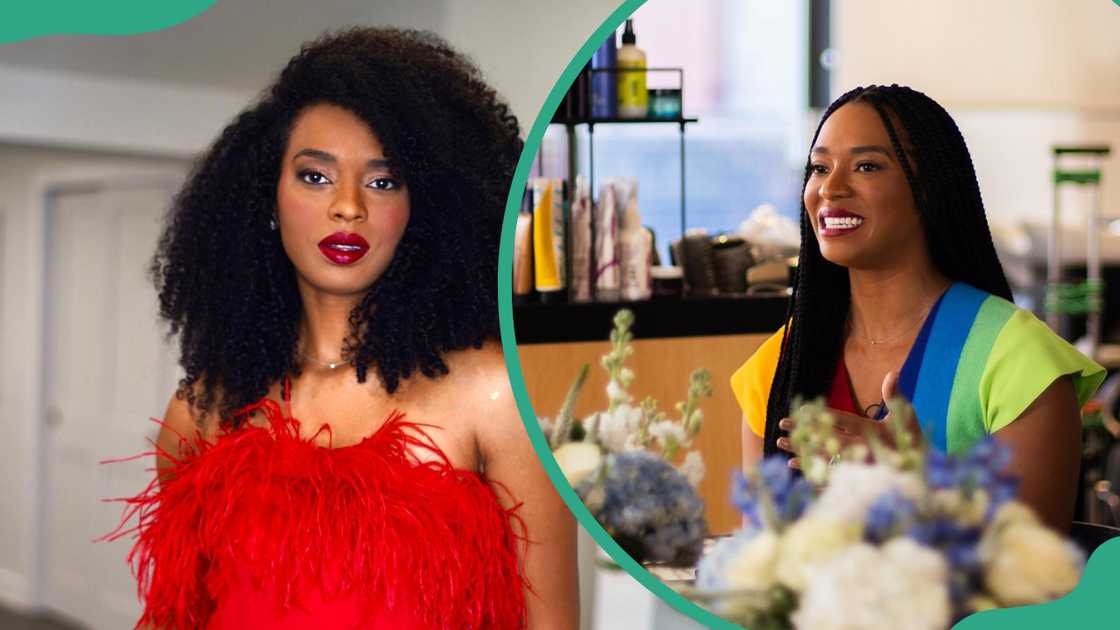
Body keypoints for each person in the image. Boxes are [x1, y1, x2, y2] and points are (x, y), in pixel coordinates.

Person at [107, 28, 578, 629]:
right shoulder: (204, 409)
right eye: (315, 176)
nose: (348, 206)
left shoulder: (496, 394)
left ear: (425, 208)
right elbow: (175, 617)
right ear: (266, 199)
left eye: (383, 182)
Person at [731, 84, 1104, 533]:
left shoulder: (1019, 360)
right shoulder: (780, 364)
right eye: (819, 167)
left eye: (866, 166)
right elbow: (761, 553)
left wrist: (919, 481)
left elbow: (1036, 571)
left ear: (927, 188)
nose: (830, 188)